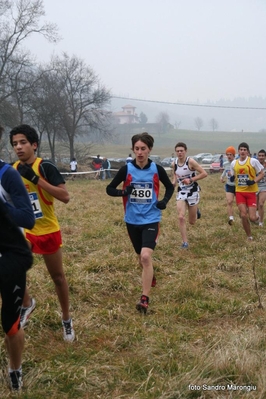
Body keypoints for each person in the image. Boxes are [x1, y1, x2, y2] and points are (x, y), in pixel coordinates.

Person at [9, 124, 75, 342]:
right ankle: (27, 303)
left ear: (34, 145)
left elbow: (65, 197)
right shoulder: (12, 169)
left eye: (23, 143)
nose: (18, 147)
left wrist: (36, 179)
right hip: (24, 230)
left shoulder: (45, 166)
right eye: (15, 144)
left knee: (57, 277)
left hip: (47, 229)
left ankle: (66, 319)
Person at [106, 132, 174, 314]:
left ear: (149, 149)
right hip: (132, 220)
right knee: (140, 257)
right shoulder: (126, 169)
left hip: (151, 218)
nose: (140, 152)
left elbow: (170, 186)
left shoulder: (157, 169)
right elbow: (109, 189)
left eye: (143, 149)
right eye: (137, 149)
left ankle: (144, 299)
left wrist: (164, 202)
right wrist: (124, 193)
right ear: (133, 150)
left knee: (145, 256)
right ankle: (149, 274)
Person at [0, 198, 33, 391]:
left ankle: (15, 369)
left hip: (12, 261)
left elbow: (28, 218)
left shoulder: (9, 174)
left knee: (10, 325)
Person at [173, 142, 208, 249]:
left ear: (185, 151)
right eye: (178, 151)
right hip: (181, 192)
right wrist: (173, 182)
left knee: (192, 222)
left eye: (181, 151)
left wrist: (191, 179)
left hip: (192, 191)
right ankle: (185, 243)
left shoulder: (190, 161)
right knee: (180, 217)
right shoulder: (174, 163)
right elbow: (175, 174)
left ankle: (196, 211)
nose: (179, 153)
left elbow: (204, 173)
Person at [230, 142, 264, 241]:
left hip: (251, 192)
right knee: (243, 215)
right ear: (238, 151)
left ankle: (257, 217)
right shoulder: (234, 163)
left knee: (252, 218)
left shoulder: (253, 161)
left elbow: (262, 174)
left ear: (248, 152)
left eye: (245, 150)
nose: (243, 151)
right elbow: (233, 175)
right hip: (239, 192)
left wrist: (253, 181)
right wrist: (232, 178)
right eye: (241, 149)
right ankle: (249, 236)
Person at [220, 146, 236, 225]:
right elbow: (225, 171)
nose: (229, 156)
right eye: (227, 154)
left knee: (240, 204)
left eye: (230, 154)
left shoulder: (237, 163)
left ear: (234, 155)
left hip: (238, 186)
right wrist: (222, 177)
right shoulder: (225, 163)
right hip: (229, 185)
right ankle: (231, 218)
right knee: (229, 201)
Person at [256, 149, 266, 227]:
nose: (261, 157)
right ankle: (257, 216)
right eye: (260, 155)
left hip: (264, 187)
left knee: (261, 204)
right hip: (255, 187)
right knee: (255, 206)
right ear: (257, 156)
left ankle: (261, 222)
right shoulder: (254, 165)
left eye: (262, 155)